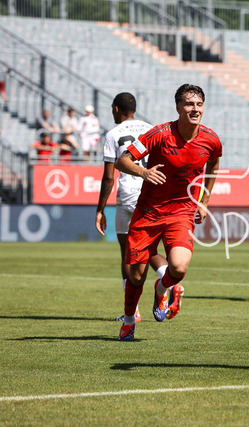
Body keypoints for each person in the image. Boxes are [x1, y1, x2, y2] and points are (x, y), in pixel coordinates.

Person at [114, 84, 222, 341]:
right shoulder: (160, 134)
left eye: (199, 104)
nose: (195, 109)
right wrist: (144, 172)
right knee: (136, 276)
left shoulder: (211, 139)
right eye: (189, 104)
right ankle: (129, 321)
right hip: (149, 212)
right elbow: (122, 160)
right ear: (178, 108)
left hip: (182, 212)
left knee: (179, 266)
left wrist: (204, 201)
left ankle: (162, 288)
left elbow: (214, 165)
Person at [96, 92, 169, 323]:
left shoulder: (113, 134)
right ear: (134, 109)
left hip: (128, 196)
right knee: (149, 250)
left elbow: (109, 178)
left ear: (116, 109)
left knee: (128, 253)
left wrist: (100, 210)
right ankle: (168, 279)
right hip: (151, 193)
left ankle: (133, 311)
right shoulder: (151, 129)